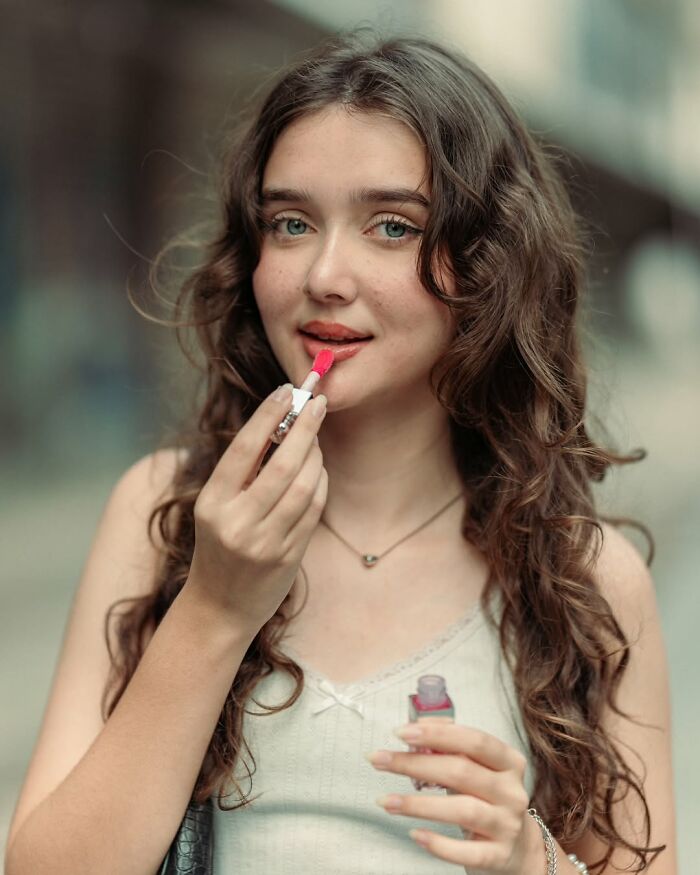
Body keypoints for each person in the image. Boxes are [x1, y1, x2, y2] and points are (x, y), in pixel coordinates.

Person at [5, 28, 676, 875]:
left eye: (392, 227)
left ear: (488, 265)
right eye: (291, 222)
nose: (326, 272)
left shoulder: (589, 578)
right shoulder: (161, 512)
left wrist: (532, 861)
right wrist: (214, 605)